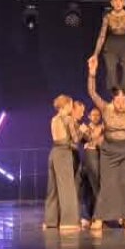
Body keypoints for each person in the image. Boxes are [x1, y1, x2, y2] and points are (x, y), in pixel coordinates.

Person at [87, 52, 125, 231]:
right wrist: (92, 73)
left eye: (123, 99)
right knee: (108, 184)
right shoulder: (105, 109)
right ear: (113, 99)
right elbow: (92, 93)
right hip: (110, 151)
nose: (121, 102)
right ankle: (99, 217)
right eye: (117, 99)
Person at [43, 94, 81, 231]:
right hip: (64, 153)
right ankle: (68, 222)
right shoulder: (68, 119)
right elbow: (76, 139)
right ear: (66, 105)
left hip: (54, 153)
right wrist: (81, 130)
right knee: (67, 188)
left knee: (53, 188)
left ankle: (51, 221)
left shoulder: (54, 119)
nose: (72, 107)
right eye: (71, 104)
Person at [77, 105, 104, 229]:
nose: (96, 117)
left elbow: (99, 142)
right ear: (89, 116)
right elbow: (84, 138)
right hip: (86, 161)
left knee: (96, 188)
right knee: (86, 190)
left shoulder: (103, 129)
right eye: (93, 115)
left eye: (98, 115)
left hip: (98, 160)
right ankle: (86, 217)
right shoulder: (84, 127)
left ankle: (97, 216)